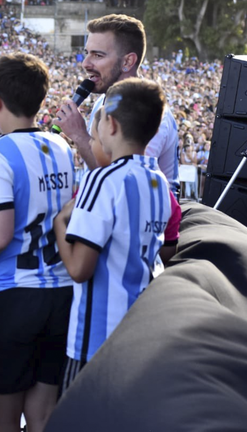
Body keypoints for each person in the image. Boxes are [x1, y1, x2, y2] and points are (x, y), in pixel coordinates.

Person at [0, 54, 75, 432]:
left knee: (1, 422)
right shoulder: (61, 145)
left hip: (6, 298)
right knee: (42, 418)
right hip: (59, 293)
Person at [53, 78, 172, 390]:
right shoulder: (159, 182)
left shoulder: (103, 180)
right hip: (142, 331)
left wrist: (59, 223)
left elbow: (79, 269)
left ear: (111, 125)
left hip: (96, 341)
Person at [55, 14, 179, 193]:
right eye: (86, 53)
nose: (86, 64)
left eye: (98, 55)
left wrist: (80, 136)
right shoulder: (102, 103)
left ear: (128, 61)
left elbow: (126, 186)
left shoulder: (151, 113)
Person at [86, 107, 181, 265]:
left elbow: (79, 268)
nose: (89, 144)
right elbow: (167, 258)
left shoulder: (98, 183)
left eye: (93, 139)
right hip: (152, 286)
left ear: (112, 131)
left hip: (104, 288)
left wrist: (60, 221)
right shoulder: (165, 193)